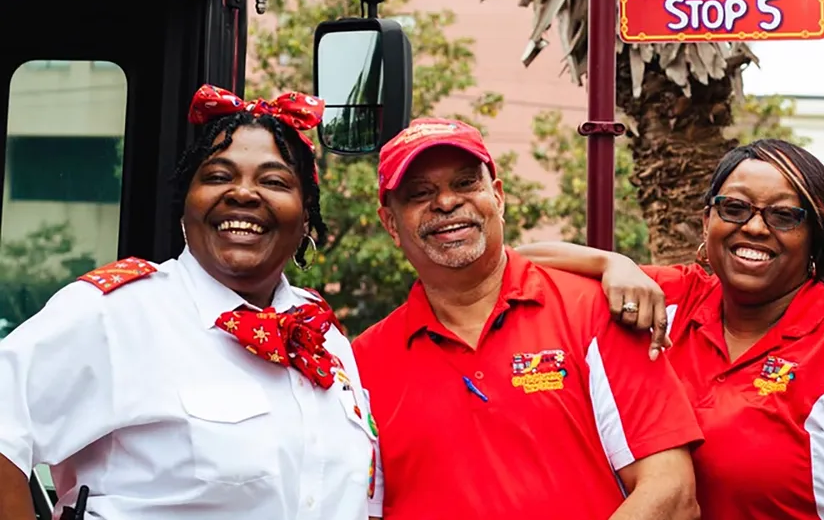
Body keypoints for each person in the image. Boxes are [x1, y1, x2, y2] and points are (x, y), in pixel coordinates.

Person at [0, 85, 377, 520]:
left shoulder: (324, 338)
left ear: (305, 214)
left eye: (274, 181)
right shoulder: (119, 312)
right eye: (218, 176)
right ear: (186, 206)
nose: (243, 193)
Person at [517, 139, 824, 520]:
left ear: (817, 234)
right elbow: (516, 268)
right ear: (708, 221)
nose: (755, 227)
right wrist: (611, 262)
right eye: (735, 209)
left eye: (783, 215)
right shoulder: (675, 300)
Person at [352, 118, 703, 520]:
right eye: (420, 193)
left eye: (466, 184)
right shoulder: (361, 364)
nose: (447, 202)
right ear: (391, 224)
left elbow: (671, 493)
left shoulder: (593, 312)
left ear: (498, 198)